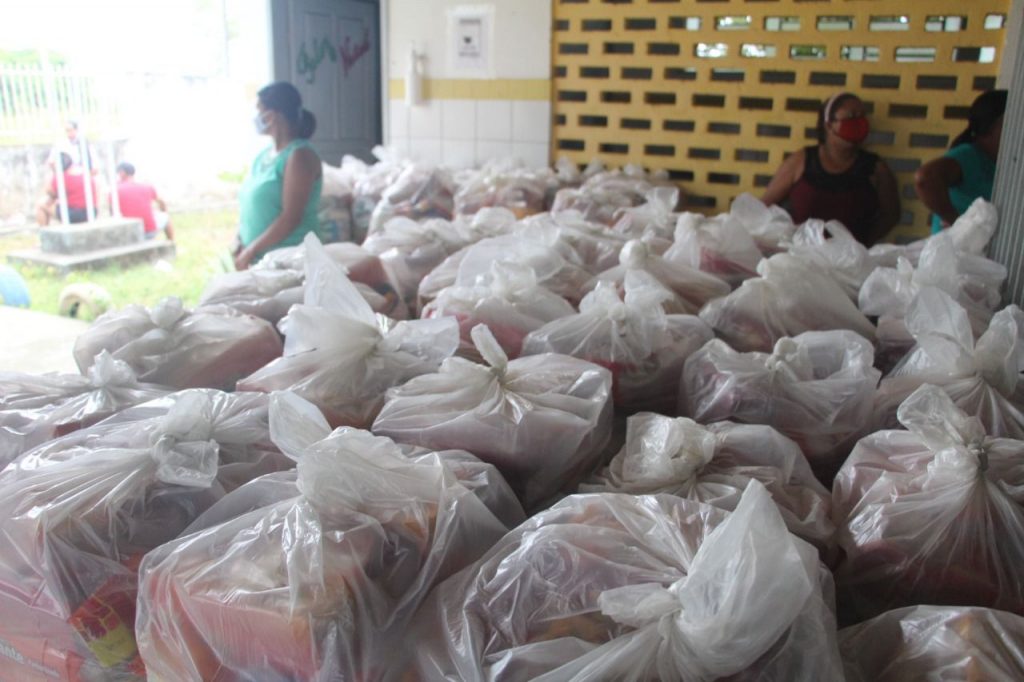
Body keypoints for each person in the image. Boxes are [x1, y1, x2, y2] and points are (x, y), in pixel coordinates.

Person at [761, 92, 900, 247]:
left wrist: (864, 242)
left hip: (852, 256)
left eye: (862, 116)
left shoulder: (875, 168)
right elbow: (764, 205)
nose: (858, 122)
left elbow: (891, 214)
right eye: (850, 116)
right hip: (801, 253)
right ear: (828, 125)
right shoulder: (801, 161)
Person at [233, 81, 322, 270]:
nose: (256, 118)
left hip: (290, 260)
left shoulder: (300, 156)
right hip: (260, 260)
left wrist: (250, 250)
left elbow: (290, 218)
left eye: (259, 111)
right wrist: (240, 240)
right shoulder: (263, 156)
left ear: (272, 116)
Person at [915, 89, 1007, 233]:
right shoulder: (969, 155)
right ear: (992, 126)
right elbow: (925, 179)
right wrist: (958, 223)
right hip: (957, 246)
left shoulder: (998, 161)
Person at [115, 162, 174, 241]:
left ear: (121, 173)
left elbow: (113, 215)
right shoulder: (147, 186)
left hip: (127, 234)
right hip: (149, 232)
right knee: (165, 217)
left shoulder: (114, 191)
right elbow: (161, 202)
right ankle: (171, 242)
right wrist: (163, 211)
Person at [36, 152, 98, 225]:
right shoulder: (84, 171)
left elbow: (50, 193)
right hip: (92, 212)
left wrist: (53, 172)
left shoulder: (61, 177)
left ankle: (44, 230)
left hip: (73, 214)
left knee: (40, 204)